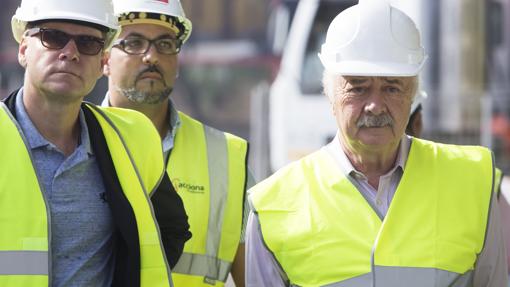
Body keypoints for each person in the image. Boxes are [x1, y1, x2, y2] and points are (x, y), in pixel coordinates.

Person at [245, 0, 508, 286]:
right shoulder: (273, 206)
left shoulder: (472, 183)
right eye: (358, 88)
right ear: (330, 95)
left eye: (392, 88)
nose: (375, 105)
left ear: (413, 96)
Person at [1, 0, 191, 286]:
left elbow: (171, 230)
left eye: (88, 43)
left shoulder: (132, 139)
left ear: (103, 61)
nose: (70, 53)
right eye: (53, 37)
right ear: (24, 49)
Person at [102, 0, 252, 286]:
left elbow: (253, 276)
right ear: (105, 59)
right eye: (133, 43)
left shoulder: (227, 158)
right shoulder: (77, 142)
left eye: (165, 44)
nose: (151, 57)